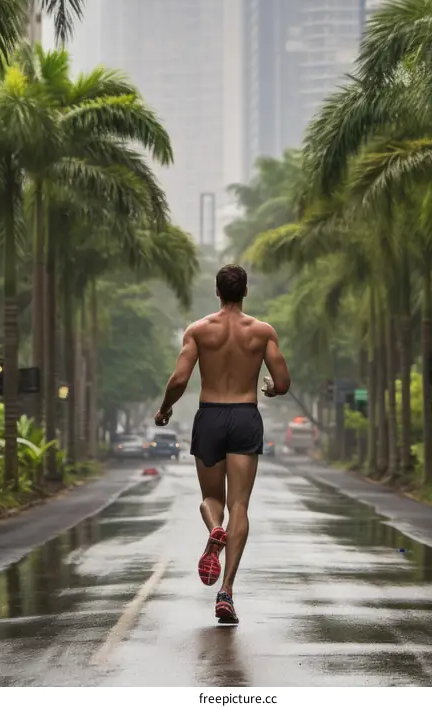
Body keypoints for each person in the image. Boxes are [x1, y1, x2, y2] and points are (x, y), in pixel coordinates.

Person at [154, 263, 291, 624]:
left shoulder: (199, 331)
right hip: (245, 416)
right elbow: (282, 381)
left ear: (217, 292)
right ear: (245, 292)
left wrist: (165, 409)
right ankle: (226, 591)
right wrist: (270, 389)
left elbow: (180, 378)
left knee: (211, 499)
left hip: (210, 416)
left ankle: (215, 529)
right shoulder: (262, 332)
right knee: (240, 506)